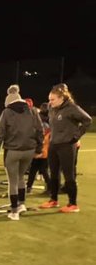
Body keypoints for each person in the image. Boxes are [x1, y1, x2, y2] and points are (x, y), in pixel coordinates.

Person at [0, 87, 43, 221]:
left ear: (8, 103)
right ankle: (22, 204)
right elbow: (40, 130)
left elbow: (0, 134)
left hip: (13, 151)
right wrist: (39, 147)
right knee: (20, 178)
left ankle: (14, 211)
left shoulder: (7, 112)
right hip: (29, 150)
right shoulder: (33, 111)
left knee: (12, 181)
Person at [40, 83, 92, 213]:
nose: (49, 102)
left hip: (67, 145)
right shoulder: (52, 108)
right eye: (49, 99)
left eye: (52, 99)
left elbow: (87, 120)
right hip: (53, 144)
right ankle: (53, 200)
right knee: (54, 174)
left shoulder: (72, 108)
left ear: (61, 98)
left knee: (68, 175)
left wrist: (76, 136)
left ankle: (73, 204)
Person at [26, 103, 51, 194]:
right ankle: (49, 186)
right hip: (44, 151)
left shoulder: (39, 126)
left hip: (39, 150)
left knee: (36, 170)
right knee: (42, 170)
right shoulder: (48, 124)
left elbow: (38, 138)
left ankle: (29, 187)